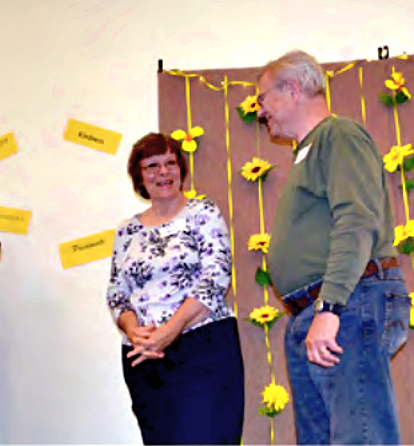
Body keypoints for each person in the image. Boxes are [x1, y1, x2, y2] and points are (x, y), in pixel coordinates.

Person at [258, 50, 411, 444]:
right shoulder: (308, 151)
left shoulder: (338, 135)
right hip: (318, 311)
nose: (260, 112)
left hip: (345, 304)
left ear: (292, 89)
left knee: (360, 437)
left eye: (263, 99)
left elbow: (356, 221)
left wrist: (330, 307)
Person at [106, 133, 244, 444]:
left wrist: (171, 329)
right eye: (152, 165)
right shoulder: (127, 230)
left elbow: (216, 277)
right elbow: (116, 292)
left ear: (181, 168)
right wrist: (134, 331)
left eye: (170, 163)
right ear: (139, 176)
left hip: (202, 348)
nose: (163, 172)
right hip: (144, 357)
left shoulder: (203, 213)